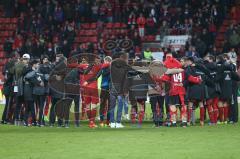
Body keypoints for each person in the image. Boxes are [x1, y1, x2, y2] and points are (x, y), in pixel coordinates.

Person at [23, 59, 41, 126]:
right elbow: (32, 80)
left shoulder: (31, 71)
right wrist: (39, 82)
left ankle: (26, 122)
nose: (38, 65)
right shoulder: (31, 71)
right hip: (29, 91)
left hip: (28, 91)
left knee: (28, 108)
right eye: (37, 64)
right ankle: (34, 122)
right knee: (31, 107)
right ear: (34, 64)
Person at [13, 54, 30, 126]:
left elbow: (13, 73)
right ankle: (21, 119)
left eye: (26, 59)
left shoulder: (17, 65)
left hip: (18, 87)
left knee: (19, 104)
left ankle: (18, 119)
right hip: (22, 87)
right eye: (26, 59)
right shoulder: (23, 66)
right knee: (23, 104)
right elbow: (21, 74)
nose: (26, 60)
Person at [99, 56, 112, 127]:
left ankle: (102, 121)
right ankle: (107, 121)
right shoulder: (112, 67)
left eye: (104, 61)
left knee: (102, 105)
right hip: (109, 88)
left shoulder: (104, 67)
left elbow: (101, 74)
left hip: (104, 87)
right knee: (109, 105)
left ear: (106, 61)